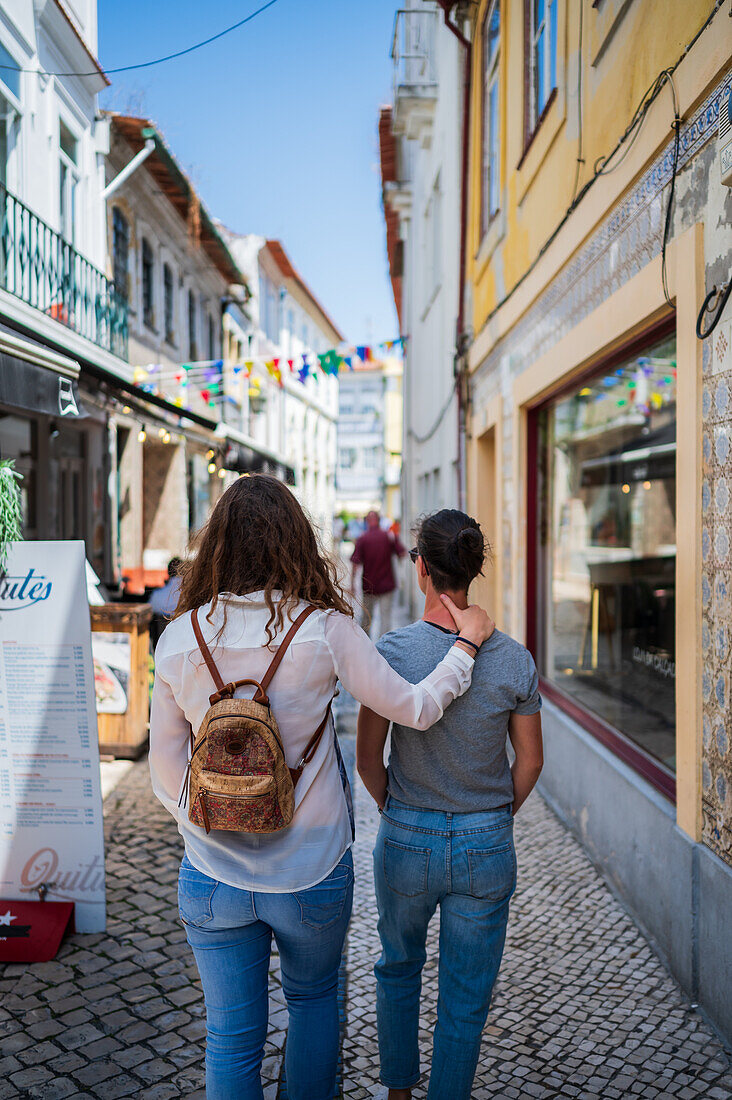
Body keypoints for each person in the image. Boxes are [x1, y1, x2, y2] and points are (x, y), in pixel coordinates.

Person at [148, 477, 494, 1100]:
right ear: (295, 542)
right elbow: (414, 708)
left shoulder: (179, 639)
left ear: (217, 546)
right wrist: (465, 645)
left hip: (211, 874)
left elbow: (164, 771)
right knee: (312, 1006)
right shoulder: (325, 630)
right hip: (310, 870)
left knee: (229, 1039)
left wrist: (210, 825)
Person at [357, 509, 544, 1100]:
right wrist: (491, 815)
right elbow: (532, 762)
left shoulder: (391, 650)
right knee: (465, 999)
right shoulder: (514, 658)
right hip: (485, 838)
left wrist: (400, 808)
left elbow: (367, 757)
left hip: (407, 834)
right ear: (474, 572)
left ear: (421, 569)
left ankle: (397, 1095)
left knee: (397, 969)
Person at [351, 510, 406, 637]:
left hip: (369, 585)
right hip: (387, 583)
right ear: (379, 520)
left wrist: (352, 583)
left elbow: (355, 563)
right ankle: (384, 648)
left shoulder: (362, 538)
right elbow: (402, 553)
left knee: (366, 619)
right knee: (385, 617)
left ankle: (365, 647)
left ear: (367, 522)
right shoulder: (388, 536)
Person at [149, 557, 182, 648]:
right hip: (185, 645)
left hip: (162, 645)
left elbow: (150, 610)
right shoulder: (192, 595)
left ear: (168, 572)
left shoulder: (157, 595)